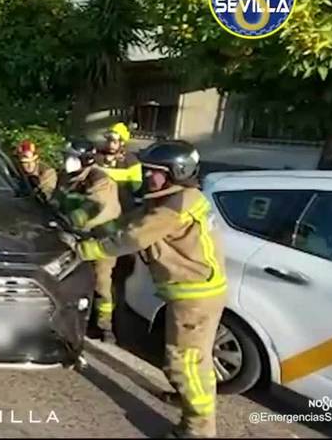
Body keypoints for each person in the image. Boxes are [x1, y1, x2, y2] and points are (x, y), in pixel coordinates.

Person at [69, 140, 226, 438]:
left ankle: (198, 429)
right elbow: (129, 223)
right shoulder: (172, 197)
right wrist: (96, 227)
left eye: (154, 172)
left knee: (186, 362)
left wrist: (84, 249)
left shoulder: (173, 207)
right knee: (194, 359)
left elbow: (134, 238)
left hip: (194, 295)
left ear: (176, 173)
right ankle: (190, 402)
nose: (146, 177)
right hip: (195, 292)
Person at [52, 138, 122, 343]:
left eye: (72, 158)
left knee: (101, 281)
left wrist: (70, 220)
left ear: (86, 160)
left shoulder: (101, 180)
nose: (67, 162)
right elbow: (56, 200)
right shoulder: (66, 178)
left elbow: (95, 206)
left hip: (102, 239)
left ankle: (104, 325)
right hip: (74, 237)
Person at [96, 122, 143, 210]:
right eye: (108, 141)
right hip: (100, 197)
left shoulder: (131, 160)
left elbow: (136, 184)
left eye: (114, 142)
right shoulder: (100, 155)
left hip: (122, 201)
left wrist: (106, 172)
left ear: (121, 143)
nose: (110, 145)